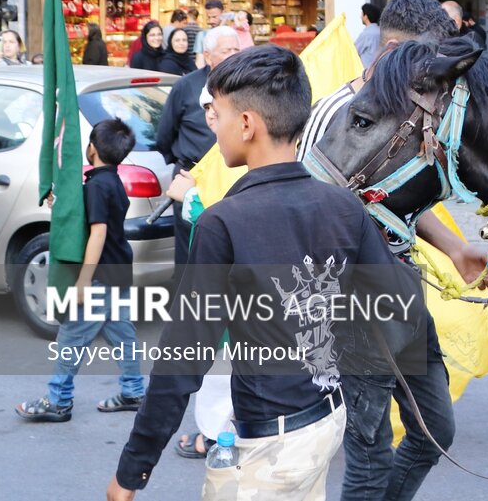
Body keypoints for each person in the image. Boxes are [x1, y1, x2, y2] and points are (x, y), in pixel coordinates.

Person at [106, 46, 425, 501]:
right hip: (326, 420)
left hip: (269, 450)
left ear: (248, 124)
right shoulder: (343, 207)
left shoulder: (223, 223)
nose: (212, 127)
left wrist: (131, 471)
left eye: (217, 114)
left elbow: (183, 359)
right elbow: (391, 303)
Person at [295, 0, 486, 501]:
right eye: (423, 60)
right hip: (354, 299)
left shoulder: (401, 107)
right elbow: (309, 211)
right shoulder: (336, 110)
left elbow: (392, 197)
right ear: (391, 53)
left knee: (434, 431)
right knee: (369, 454)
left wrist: (457, 249)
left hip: (401, 287)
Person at [16, 119, 145, 422]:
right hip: (119, 271)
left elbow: (97, 232)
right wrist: (58, 204)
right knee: (122, 336)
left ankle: (58, 401)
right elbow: (83, 220)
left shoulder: (98, 186)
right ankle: (134, 391)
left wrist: (84, 281)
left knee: (70, 338)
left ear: (92, 148)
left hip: (99, 276)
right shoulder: (109, 181)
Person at [155, 26, 240, 269]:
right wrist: (187, 164)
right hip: (193, 177)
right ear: (208, 54)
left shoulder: (246, 87)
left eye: (237, 49)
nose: (234, 55)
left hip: (232, 179)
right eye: (226, 50)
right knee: (190, 249)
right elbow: (164, 135)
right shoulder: (187, 86)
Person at [356, 2, 382, 69]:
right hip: (380, 71)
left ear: (366, 16)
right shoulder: (381, 32)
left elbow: (354, 51)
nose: (360, 17)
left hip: (367, 74)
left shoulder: (366, 35)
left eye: (362, 14)